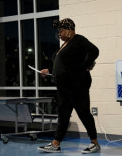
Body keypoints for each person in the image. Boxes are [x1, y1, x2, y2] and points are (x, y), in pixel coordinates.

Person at [37, 18, 100, 154]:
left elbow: (94, 50)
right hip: (65, 87)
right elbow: (63, 64)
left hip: (77, 85)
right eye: (58, 31)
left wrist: (84, 66)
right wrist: (48, 70)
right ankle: (56, 144)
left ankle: (94, 142)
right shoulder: (65, 45)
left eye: (61, 31)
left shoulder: (78, 40)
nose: (59, 34)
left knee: (83, 113)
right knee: (63, 115)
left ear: (70, 30)